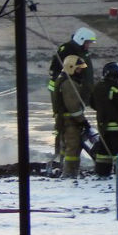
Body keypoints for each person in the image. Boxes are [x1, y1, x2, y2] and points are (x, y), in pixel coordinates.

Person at [48, 27, 96, 161]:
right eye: (87, 42)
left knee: (74, 123)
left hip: (76, 90)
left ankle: (66, 154)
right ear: (81, 39)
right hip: (67, 91)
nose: (89, 45)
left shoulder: (81, 51)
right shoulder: (67, 50)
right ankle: (61, 156)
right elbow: (57, 72)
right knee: (66, 123)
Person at [54, 55, 91, 178]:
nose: (80, 71)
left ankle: (64, 170)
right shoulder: (69, 83)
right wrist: (82, 121)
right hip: (70, 121)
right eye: (78, 68)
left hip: (65, 120)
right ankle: (69, 173)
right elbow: (73, 106)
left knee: (65, 147)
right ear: (71, 68)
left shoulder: (64, 80)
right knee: (73, 148)